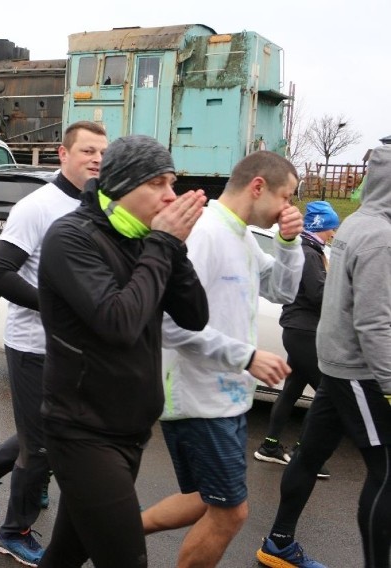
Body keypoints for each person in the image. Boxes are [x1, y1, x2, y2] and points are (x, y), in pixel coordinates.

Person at [36, 135, 209, 567]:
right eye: (158, 184)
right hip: (82, 434)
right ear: (125, 184)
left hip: (129, 432)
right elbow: (119, 323)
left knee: (64, 556)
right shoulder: (72, 238)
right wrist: (162, 245)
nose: (171, 195)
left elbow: (195, 314)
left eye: (172, 183)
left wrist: (173, 248)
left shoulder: (143, 240)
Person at [0, 121, 108, 566]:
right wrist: (61, 309)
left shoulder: (96, 206)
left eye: (101, 152)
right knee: (43, 442)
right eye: (87, 151)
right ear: (63, 153)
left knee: (43, 432)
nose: (96, 159)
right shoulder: (37, 207)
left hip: (71, 346)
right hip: (34, 343)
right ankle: (13, 531)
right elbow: (0, 275)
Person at [142, 150, 305, 568]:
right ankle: (101, 528)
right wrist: (246, 355)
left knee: (203, 502)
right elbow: (166, 323)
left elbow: (282, 291)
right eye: (286, 197)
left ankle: (105, 528)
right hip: (199, 399)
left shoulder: (243, 235)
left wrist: (288, 244)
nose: (289, 207)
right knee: (231, 513)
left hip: (227, 399)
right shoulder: (206, 233)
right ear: (257, 186)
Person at [256, 144, 391, 568]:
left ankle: (278, 542)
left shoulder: (356, 225)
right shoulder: (380, 238)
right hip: (359, 370)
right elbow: (374, 323)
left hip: (334, 362)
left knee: (310, 454)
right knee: (386, 473)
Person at [254, 200, 340, 480]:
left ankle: (270, 447)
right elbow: (317, 294)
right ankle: (304, 454)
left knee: (292, 390)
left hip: (299, 330)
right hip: (304, 331)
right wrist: (342, 296)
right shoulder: (309, 252)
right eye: (331, 228)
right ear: (321, 226)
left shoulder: (311, 250)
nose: (333, 234)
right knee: (328, 392)